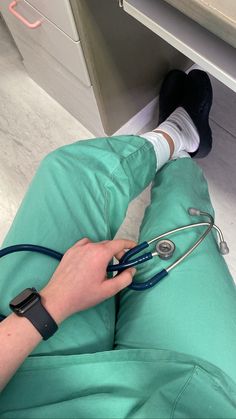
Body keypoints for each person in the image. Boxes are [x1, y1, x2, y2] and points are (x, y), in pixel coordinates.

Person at [0, 69, 235, 418]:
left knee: (70, 173)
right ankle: (182, 154)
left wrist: (52, 302)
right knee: (183, 232)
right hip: (188, 397)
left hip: (26, 379)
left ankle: (175, 135)